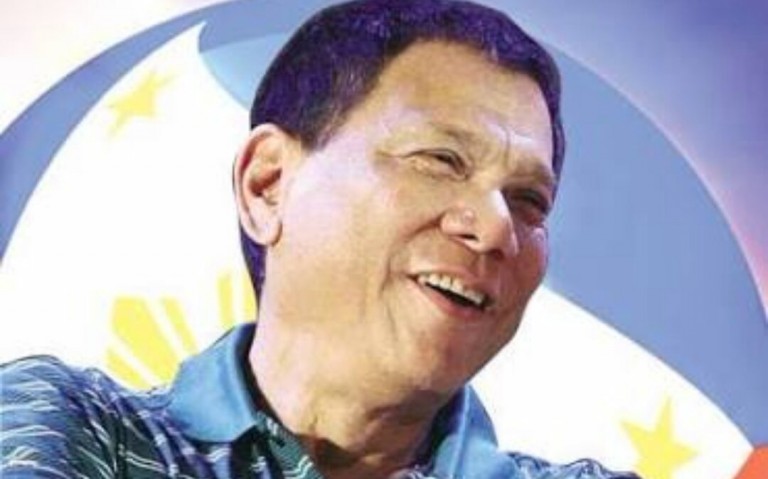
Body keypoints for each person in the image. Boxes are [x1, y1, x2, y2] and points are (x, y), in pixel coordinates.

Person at [0, 0, 639, 477]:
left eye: (529, 201)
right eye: (441, 160)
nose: (499, 227)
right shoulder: (70, 425)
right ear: (268, 185)